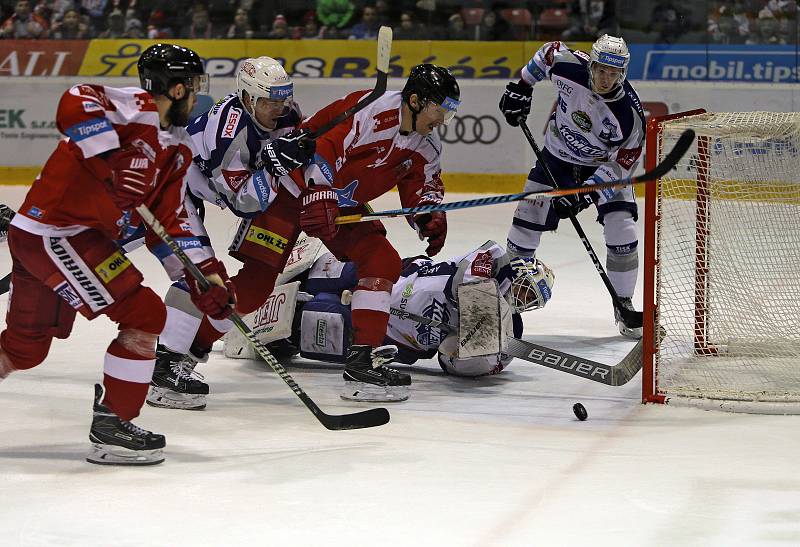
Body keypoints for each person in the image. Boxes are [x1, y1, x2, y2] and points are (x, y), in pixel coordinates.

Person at [0, 44, 236, 466]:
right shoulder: (136, 108)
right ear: (179, 89)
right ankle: (113, 425)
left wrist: (206, 278)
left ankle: (113, 420)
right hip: (57, 232)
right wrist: (109, 158)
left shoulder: (178, 149)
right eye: (196, 86)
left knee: (24, 350)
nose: (200, 95)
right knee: (145, 315)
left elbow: (173, 222)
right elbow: (77, 99)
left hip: (57, 238)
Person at [178, 63, 459, 404]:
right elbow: (321, 142)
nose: (442, 119)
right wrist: (319, 190)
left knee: (381, 261)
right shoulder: (371, 109)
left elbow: (423, 187)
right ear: (415, 100)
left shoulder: (426, 145)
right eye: (439, 110)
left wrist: (427, 215)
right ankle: (180, 356)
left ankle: (363, 362)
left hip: (339, 204)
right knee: (253, 289)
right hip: (284, 194)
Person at [145, 56, 305, 411]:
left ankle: (172, 361)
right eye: (268, 101)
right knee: (198, 277)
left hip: (194, 187)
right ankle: (165, 369)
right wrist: (276, 168)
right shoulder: (229, 136)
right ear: (248, 99)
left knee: (206, 278)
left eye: (282, 99)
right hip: (172, 186)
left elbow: (296, 146)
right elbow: (244, 203)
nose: (278, 108)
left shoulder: (284, 111)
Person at [228, 240, 555, 380]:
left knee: (307, 322)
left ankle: (236, 331)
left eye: (532, 299)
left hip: (391, 337)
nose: (524, 297)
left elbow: (454, 363)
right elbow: (470, 272)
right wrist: (479, 322)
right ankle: (229, 297)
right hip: (394, 277)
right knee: (306, 271)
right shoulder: (494, 261)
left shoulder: (510, 339)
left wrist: (463, 354)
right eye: (526, 286)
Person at [498, 35, 645, 338]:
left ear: (623, 74)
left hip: (601, 167)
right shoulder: (568, 65)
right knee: (527, 219)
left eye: (613, 74)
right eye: (601, 70)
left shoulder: (629, 115)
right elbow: (547, 52)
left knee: (623, 230)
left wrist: (587, 194)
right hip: (557, 157)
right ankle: (505, 302)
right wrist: (521, 87)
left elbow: (620, 165)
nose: (605, 79)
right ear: (592, 63)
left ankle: (623, 305)